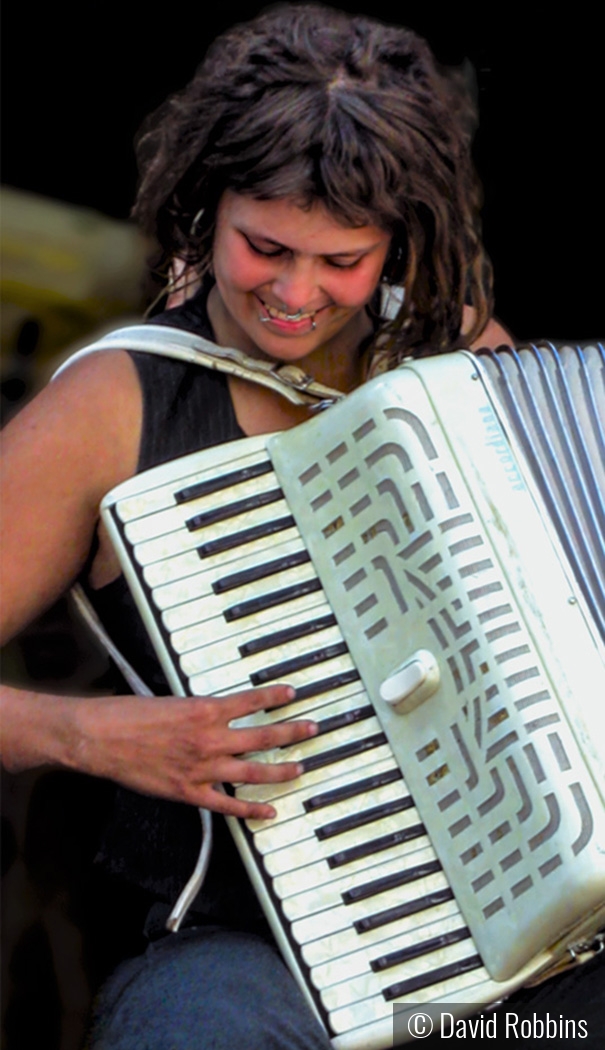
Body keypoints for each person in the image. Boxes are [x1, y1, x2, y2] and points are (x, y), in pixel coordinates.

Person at [3, 4, 601, 1048]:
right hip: (259, 956)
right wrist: (85, 734)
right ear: (204, 205)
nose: (293, 294)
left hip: (521, 950)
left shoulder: (450, 357)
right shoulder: (113, 404)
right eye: (263, 247)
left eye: (342, 261)